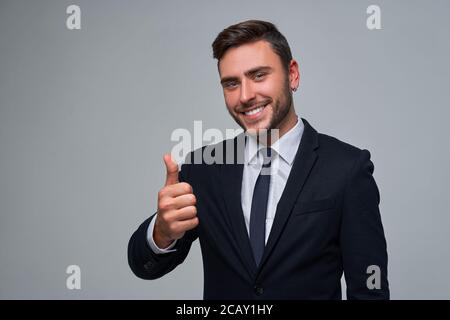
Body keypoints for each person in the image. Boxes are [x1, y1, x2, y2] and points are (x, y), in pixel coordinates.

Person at [128, 20, 389, 299]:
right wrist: (162, 233)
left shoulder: (347, 168)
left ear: (292, 74)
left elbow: (369, 290)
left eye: (258, 75)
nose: (245, 95)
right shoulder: (203, 168)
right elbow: (145, 266)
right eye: (231, 83)